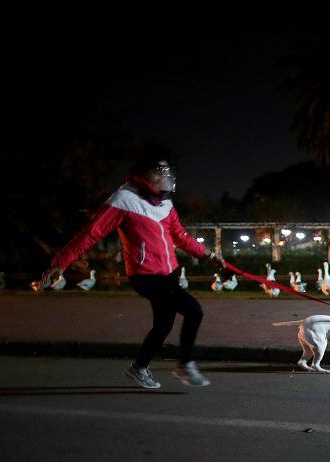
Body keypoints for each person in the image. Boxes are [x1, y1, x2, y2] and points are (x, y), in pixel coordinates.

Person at [40, 157, 223, 389]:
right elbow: (90, 234)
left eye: (168, 173)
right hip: (145, 275)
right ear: (143, 175)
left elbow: (180, 236)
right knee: (194, 310)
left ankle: (139, 367)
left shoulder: (165, 204)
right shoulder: (124, 200)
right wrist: (60, 262)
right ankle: (185, 364)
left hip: (169, 274)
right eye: (159, 172)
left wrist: (209, 256)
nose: (165, 178)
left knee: (163, 325)